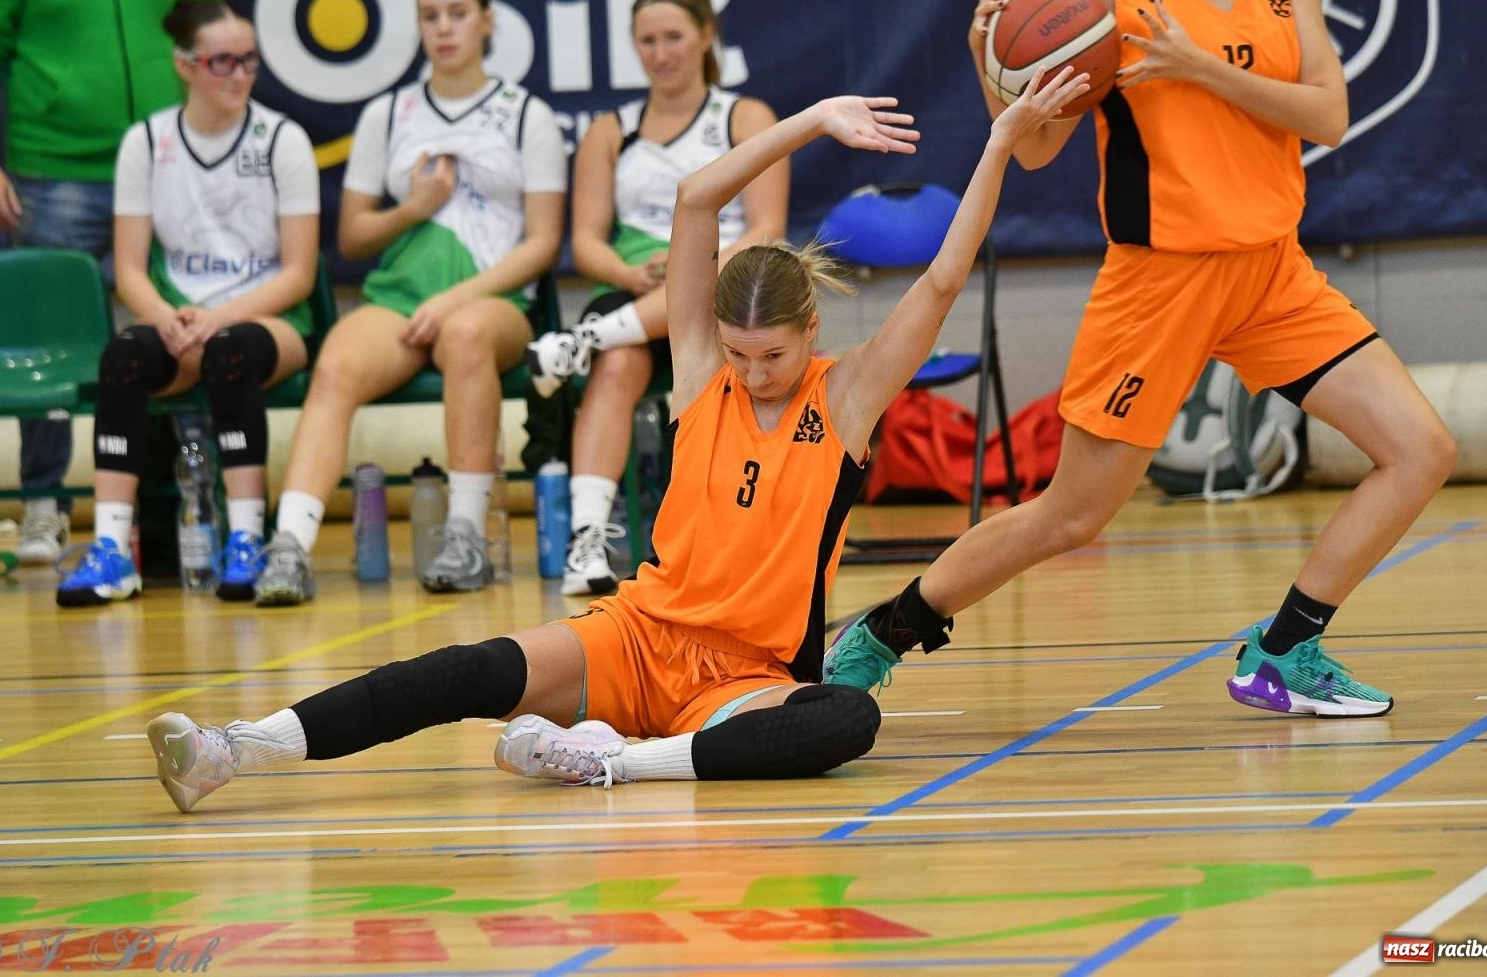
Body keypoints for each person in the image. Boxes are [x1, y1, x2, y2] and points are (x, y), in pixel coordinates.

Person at [141, 76, 1095, 810]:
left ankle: (615, 764)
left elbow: (937, 282)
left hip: (750, 677)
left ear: (811, 333)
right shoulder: (699, 381)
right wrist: (810, 121)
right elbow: (692, 202)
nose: (753, 372)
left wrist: (1003, 143)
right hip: (637, 639)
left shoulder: (845, 400)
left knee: (847, 718)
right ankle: (235, 750)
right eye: (737, 353)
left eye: (770, 355)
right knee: (471, 671)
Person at [823, 0, 1457, 719]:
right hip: (1160, 283)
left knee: (1420, 449)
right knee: (1073, 516)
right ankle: (882, 632)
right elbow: (1036, 147)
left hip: (1271, 270)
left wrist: (1199, 68)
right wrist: (992, 62)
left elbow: (1327, 117)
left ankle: (1286, 649)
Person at [249, 0, 567, 604]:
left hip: (491, 301)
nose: (444, 28)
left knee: (468, 334)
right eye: (430, 16)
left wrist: (456, 299)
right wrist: (414, 208)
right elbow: (354, 238)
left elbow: (542, 242)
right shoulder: (388, 113)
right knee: (336, 362)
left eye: (457, 13)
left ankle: (465, 535)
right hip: (399, 299)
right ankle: (290, 546)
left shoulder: (526, 114)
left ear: (487, 21)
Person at [0, 0, 222, 565]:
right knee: (45, 346)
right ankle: (45, 506)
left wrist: (211, 143)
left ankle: (192, 499)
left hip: (166, 163)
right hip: (56, 172)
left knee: (182, 328)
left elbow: (210, 29)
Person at [523, 0, 788, 596]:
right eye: (647, 40)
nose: (661, 52)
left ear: (705, 36)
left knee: (702, 279)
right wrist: (626, 271)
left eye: (673, 36)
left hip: (728, 282)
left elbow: (768, 225)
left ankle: (580, 340)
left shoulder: (744, 116)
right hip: (637, 282)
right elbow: (586, 241)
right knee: (616, 368)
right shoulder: (611, 129)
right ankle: (587, 542)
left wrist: (690, 266)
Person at [54, 0, 318, 606]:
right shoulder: (146, 142)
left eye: (248, 60)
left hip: (266, 321)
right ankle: (114, 549)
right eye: (221, 61)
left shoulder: (282, 139)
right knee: (123, 355)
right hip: (177, 321)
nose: (239, 74)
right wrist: (163, 318)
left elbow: (300, 273)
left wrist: (222, 315)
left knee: (230, 351)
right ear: (185, 65)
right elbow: (128, 268)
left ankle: (248, 538)